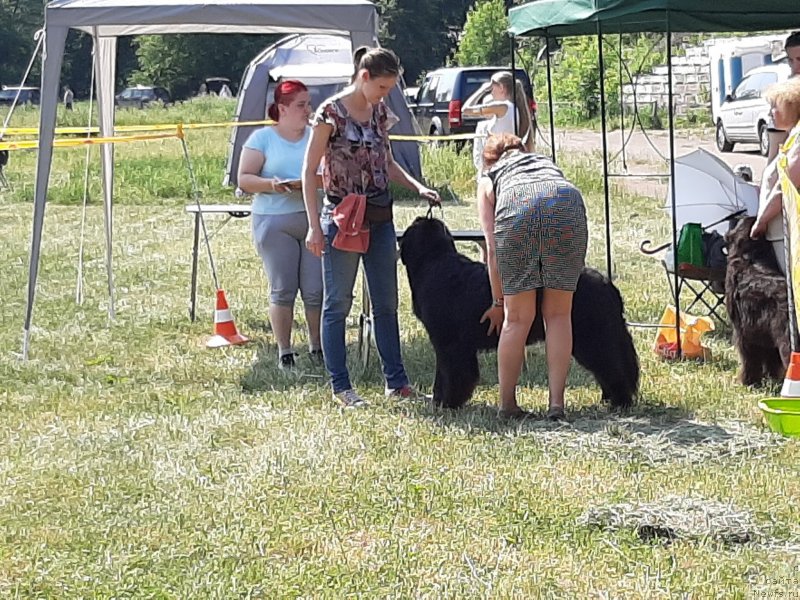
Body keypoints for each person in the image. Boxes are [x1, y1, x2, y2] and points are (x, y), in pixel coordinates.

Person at [302, 46, 440, 408]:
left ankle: (397, 383)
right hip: (340, 218)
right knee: (338, 304)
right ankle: (341, 387)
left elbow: (388, 161)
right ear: (364, 77)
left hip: (379, 216)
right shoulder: (329, 113)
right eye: (381, 87)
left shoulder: (380, 113)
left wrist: (417, 186)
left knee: (386, 302)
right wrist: (314, 227)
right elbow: (308, 171)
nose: (385, 95)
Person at [477, 132, 588, 421]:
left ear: (488, 160)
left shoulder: (489, 178)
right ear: (523, 150)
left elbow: (491, 249)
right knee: (559, 315)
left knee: (517, 320)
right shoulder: (543, 163)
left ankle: (508, 405)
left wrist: (498, 302)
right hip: (566, 203)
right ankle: (556, 405)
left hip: (517, 209)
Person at [238, 80, 323, 370]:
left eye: (308, 104)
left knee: (315, 289)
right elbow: (245, 179)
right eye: (301, 105)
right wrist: (274, 185)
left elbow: (329, 174)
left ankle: (317, 346)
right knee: (283, 288)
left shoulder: (316, 136)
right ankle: (285, 350)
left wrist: (313, 182)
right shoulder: (262, 138)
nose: (307, 111)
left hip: (313, 219)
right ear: (282, 109)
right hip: (274, 221)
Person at [751, 77, 800, 274]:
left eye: (774, 106)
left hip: (786, 230)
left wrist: (761, 221)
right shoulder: (792, 137)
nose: (770, 113)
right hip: (781, 230)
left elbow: (785, 186)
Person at [462, 71, 535, 179]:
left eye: (492, 88)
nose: (491, 92)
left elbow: (465, 110)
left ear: (501, 88)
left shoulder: (502, 106)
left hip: (497, 163)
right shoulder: (515, 108)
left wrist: (481, 90)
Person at [766, 31, 800, 163]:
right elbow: (775, 152)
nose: (796, 67)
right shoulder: (785, 93)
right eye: (791, 60)